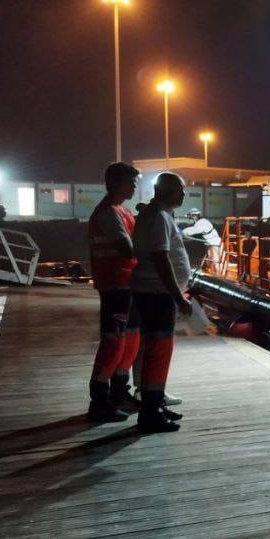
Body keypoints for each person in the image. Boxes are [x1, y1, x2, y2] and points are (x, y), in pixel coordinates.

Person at [130, 172, 193, 432]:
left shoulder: (159, 214)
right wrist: (178, 296)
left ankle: (155, 404)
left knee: (156, 351)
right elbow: (161, 259)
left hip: (155, 293)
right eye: (179, 189)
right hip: (157, 294)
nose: (183, 194)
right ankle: (151, 413)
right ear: (165, 190)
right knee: (158, 351)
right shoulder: (158, 216)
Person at [86, 162, 142, 422]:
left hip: (128, 283)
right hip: (115, 285)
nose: (134, 186)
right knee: (114, 340)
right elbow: (126, 247)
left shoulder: (122, 210)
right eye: (130, 182)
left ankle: (120, 392)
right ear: (116, 183)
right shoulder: (108, 213)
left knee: (129, 340)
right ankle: (100, 400)